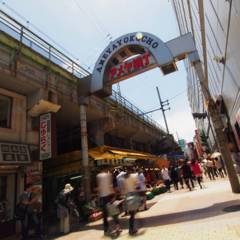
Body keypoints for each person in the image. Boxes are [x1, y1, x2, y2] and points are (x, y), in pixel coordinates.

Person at [96, 165, 121, 235]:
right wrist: (115, 196)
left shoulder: (98, 176)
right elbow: (111, 186)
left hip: (103, 198)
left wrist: (98, 197)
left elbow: (99, 187)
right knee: (114, 213)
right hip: (109, 196)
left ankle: (106, 229)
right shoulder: (109, 175)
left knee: (105, 215)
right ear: (105, 168)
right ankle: (118, 227)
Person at [122, 167, 140, 236]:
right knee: (132, 214)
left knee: (132, 214)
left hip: (127, 195)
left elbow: (124, 188)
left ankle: (132, 229)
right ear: (132, 170)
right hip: (133, 195)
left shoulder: (124, 177)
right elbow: (137, 186)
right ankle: (131, 229)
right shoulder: (134, 176)